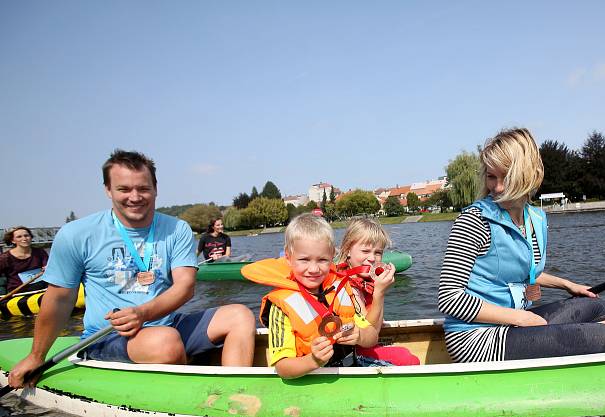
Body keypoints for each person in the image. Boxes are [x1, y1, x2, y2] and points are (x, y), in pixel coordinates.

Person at [8, 150, 254, 389]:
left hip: (165, 325)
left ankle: (236, 394)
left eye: (143, 188)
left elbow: (185, 287)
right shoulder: (76, 234)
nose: (135, 197)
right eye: (124, 189)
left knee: (240, 315)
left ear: (155, 188)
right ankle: (189, 392)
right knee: (165, 342)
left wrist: (143, 314)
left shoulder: (177, 229)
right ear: (108, 190)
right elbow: (59, 300)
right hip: (108, 336)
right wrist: (36, 355)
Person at [437, 128, 605, 363]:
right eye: (492, 176)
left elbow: (528, 273)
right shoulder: (475, 220)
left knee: (596, 308)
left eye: (507, 177)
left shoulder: (535, 219)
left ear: (528, 175)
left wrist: (568, 285)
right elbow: (449, 297)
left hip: (513, 324)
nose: (498, 188)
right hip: (476, 338)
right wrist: (521, 318)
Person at [241, 213, 381, 378]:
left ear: (331, 255)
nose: (314, 269)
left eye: (322, 260)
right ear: (288, 256)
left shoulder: (342, 288)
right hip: (309, 380)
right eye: (304, 260)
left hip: (350, 372)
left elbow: (372, 337)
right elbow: (283, 368)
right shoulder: (281, 307)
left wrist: (360, 335)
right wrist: (313, 360)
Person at [336, 218, 419, 365]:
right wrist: (379, 293)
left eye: (378, 252)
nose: (372, 258)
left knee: (406, 354)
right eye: (365, 251)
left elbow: (377, 326)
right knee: (409, 360)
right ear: (348, 250)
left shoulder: (366, 283)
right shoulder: (346, 286)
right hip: (355, 353)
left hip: (366, 346)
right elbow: (368, 332)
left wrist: (379, 290)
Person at [0, 226, 48, 293]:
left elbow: (47, 266)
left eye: (26, 235)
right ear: (13, 241)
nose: (24, 238)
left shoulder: (40, 252)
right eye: (19, 237)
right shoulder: (5, 258)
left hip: (42, 289)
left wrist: (47, 268)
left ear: (31, 237)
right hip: (18, 293)